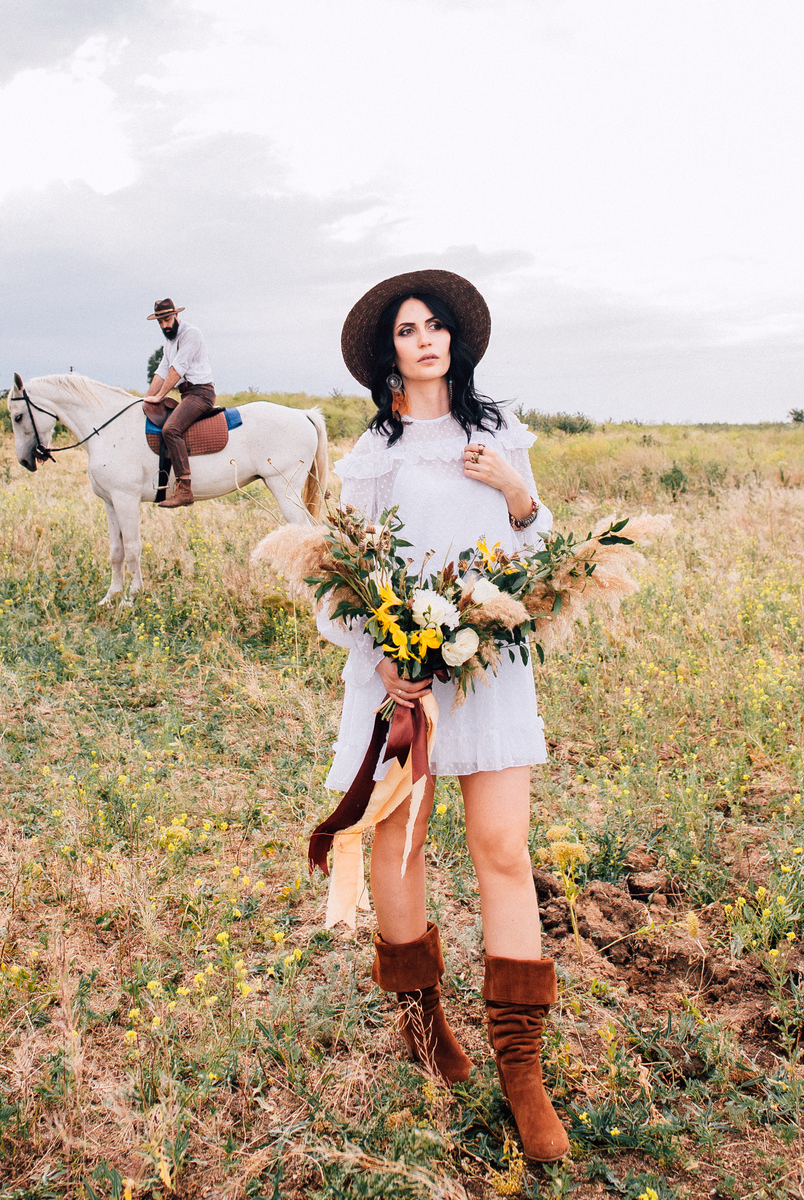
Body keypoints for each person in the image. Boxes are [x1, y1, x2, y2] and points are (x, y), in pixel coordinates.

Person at [319, 269, 569, 1162]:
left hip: (489, 668)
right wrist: (384, 654)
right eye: (406, 331)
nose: (424, 339)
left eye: (434, 327)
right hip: (403, 685)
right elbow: (340, 578)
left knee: (503, 848)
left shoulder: (500, 435)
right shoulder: (370, 459)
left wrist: (514, 490)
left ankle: (523, 1072)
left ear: (454, 341)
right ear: (388, 354)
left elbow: (543, 557)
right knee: (398, 847)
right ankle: (422, 1027)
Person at [144, 298, 216, 508]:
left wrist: (160, 396)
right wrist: (146, 399)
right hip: (187, 394)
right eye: (160, 322)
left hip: (201, 393)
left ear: (176, 315)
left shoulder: (191, 334)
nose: (164, 325)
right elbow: (162, 371)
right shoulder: (169, 343)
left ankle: (184, 489)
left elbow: (178, 369)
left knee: (171, 429)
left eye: (167, 319)